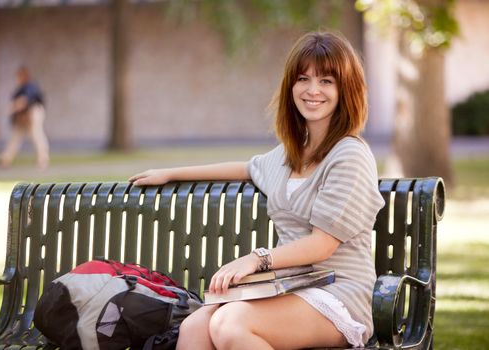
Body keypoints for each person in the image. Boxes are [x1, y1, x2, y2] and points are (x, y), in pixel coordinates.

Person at [129, 31, 385, 349]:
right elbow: (246, 168)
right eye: (303, 78)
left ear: (345, 89)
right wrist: (169, 173)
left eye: (327, 81)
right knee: (195, 326)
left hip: (338, 294)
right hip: (288, 287)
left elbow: (322, 245)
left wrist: (255, 259)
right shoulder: (290, 152)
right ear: (291, 86)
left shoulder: (350, 155)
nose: (313, 90)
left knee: (229, 324)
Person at [0, 66, 49, 168]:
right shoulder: (20, 88)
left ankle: (43, 159)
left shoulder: (31, 86)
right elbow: (14, 102)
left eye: (20, 76)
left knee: (36, 134)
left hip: (34, 112)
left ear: (25, 75)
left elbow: (24, 101)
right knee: (16, 135)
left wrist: (12, 110)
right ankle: (6, 158)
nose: (18, 78)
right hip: (22, 115)